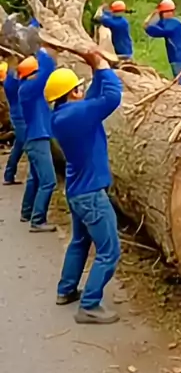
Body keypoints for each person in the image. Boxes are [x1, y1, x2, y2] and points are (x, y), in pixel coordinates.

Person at [45, 51, 123, 324]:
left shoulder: (65, 115)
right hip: (91, 195)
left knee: (80, 242)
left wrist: (96, 73)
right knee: (109, 250)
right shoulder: (77, 114)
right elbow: (112, 97)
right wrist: (102, 66)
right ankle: (90, 304)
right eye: (78, 87)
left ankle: (66, 290)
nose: (82, 90)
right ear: (72, 93)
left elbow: (92, 99)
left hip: (78, 191)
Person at [18, 49, 57, 231]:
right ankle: (38, 220)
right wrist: (42, 50)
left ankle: (26, 212)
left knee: (35, 178)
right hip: (37, 139)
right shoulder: (29, 89)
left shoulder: (28, 90)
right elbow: (48, 70)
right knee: (49, 181)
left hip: (34, 138)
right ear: (31, 75)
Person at [143, 0, 181, 86]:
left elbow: (156, 30)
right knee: (178, 84)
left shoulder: (174, 24)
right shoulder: (167, 23)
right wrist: (152, 15)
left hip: (179, 59)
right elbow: (150, 27)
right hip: (174, 59)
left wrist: (149, 21)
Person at [1, 58, 26, 186]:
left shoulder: (10, 80)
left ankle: (9, 174)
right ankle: (9, 174)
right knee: (22, 143)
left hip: (18, 115)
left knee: (19, 145)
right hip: (19, 116)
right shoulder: (12, 82)